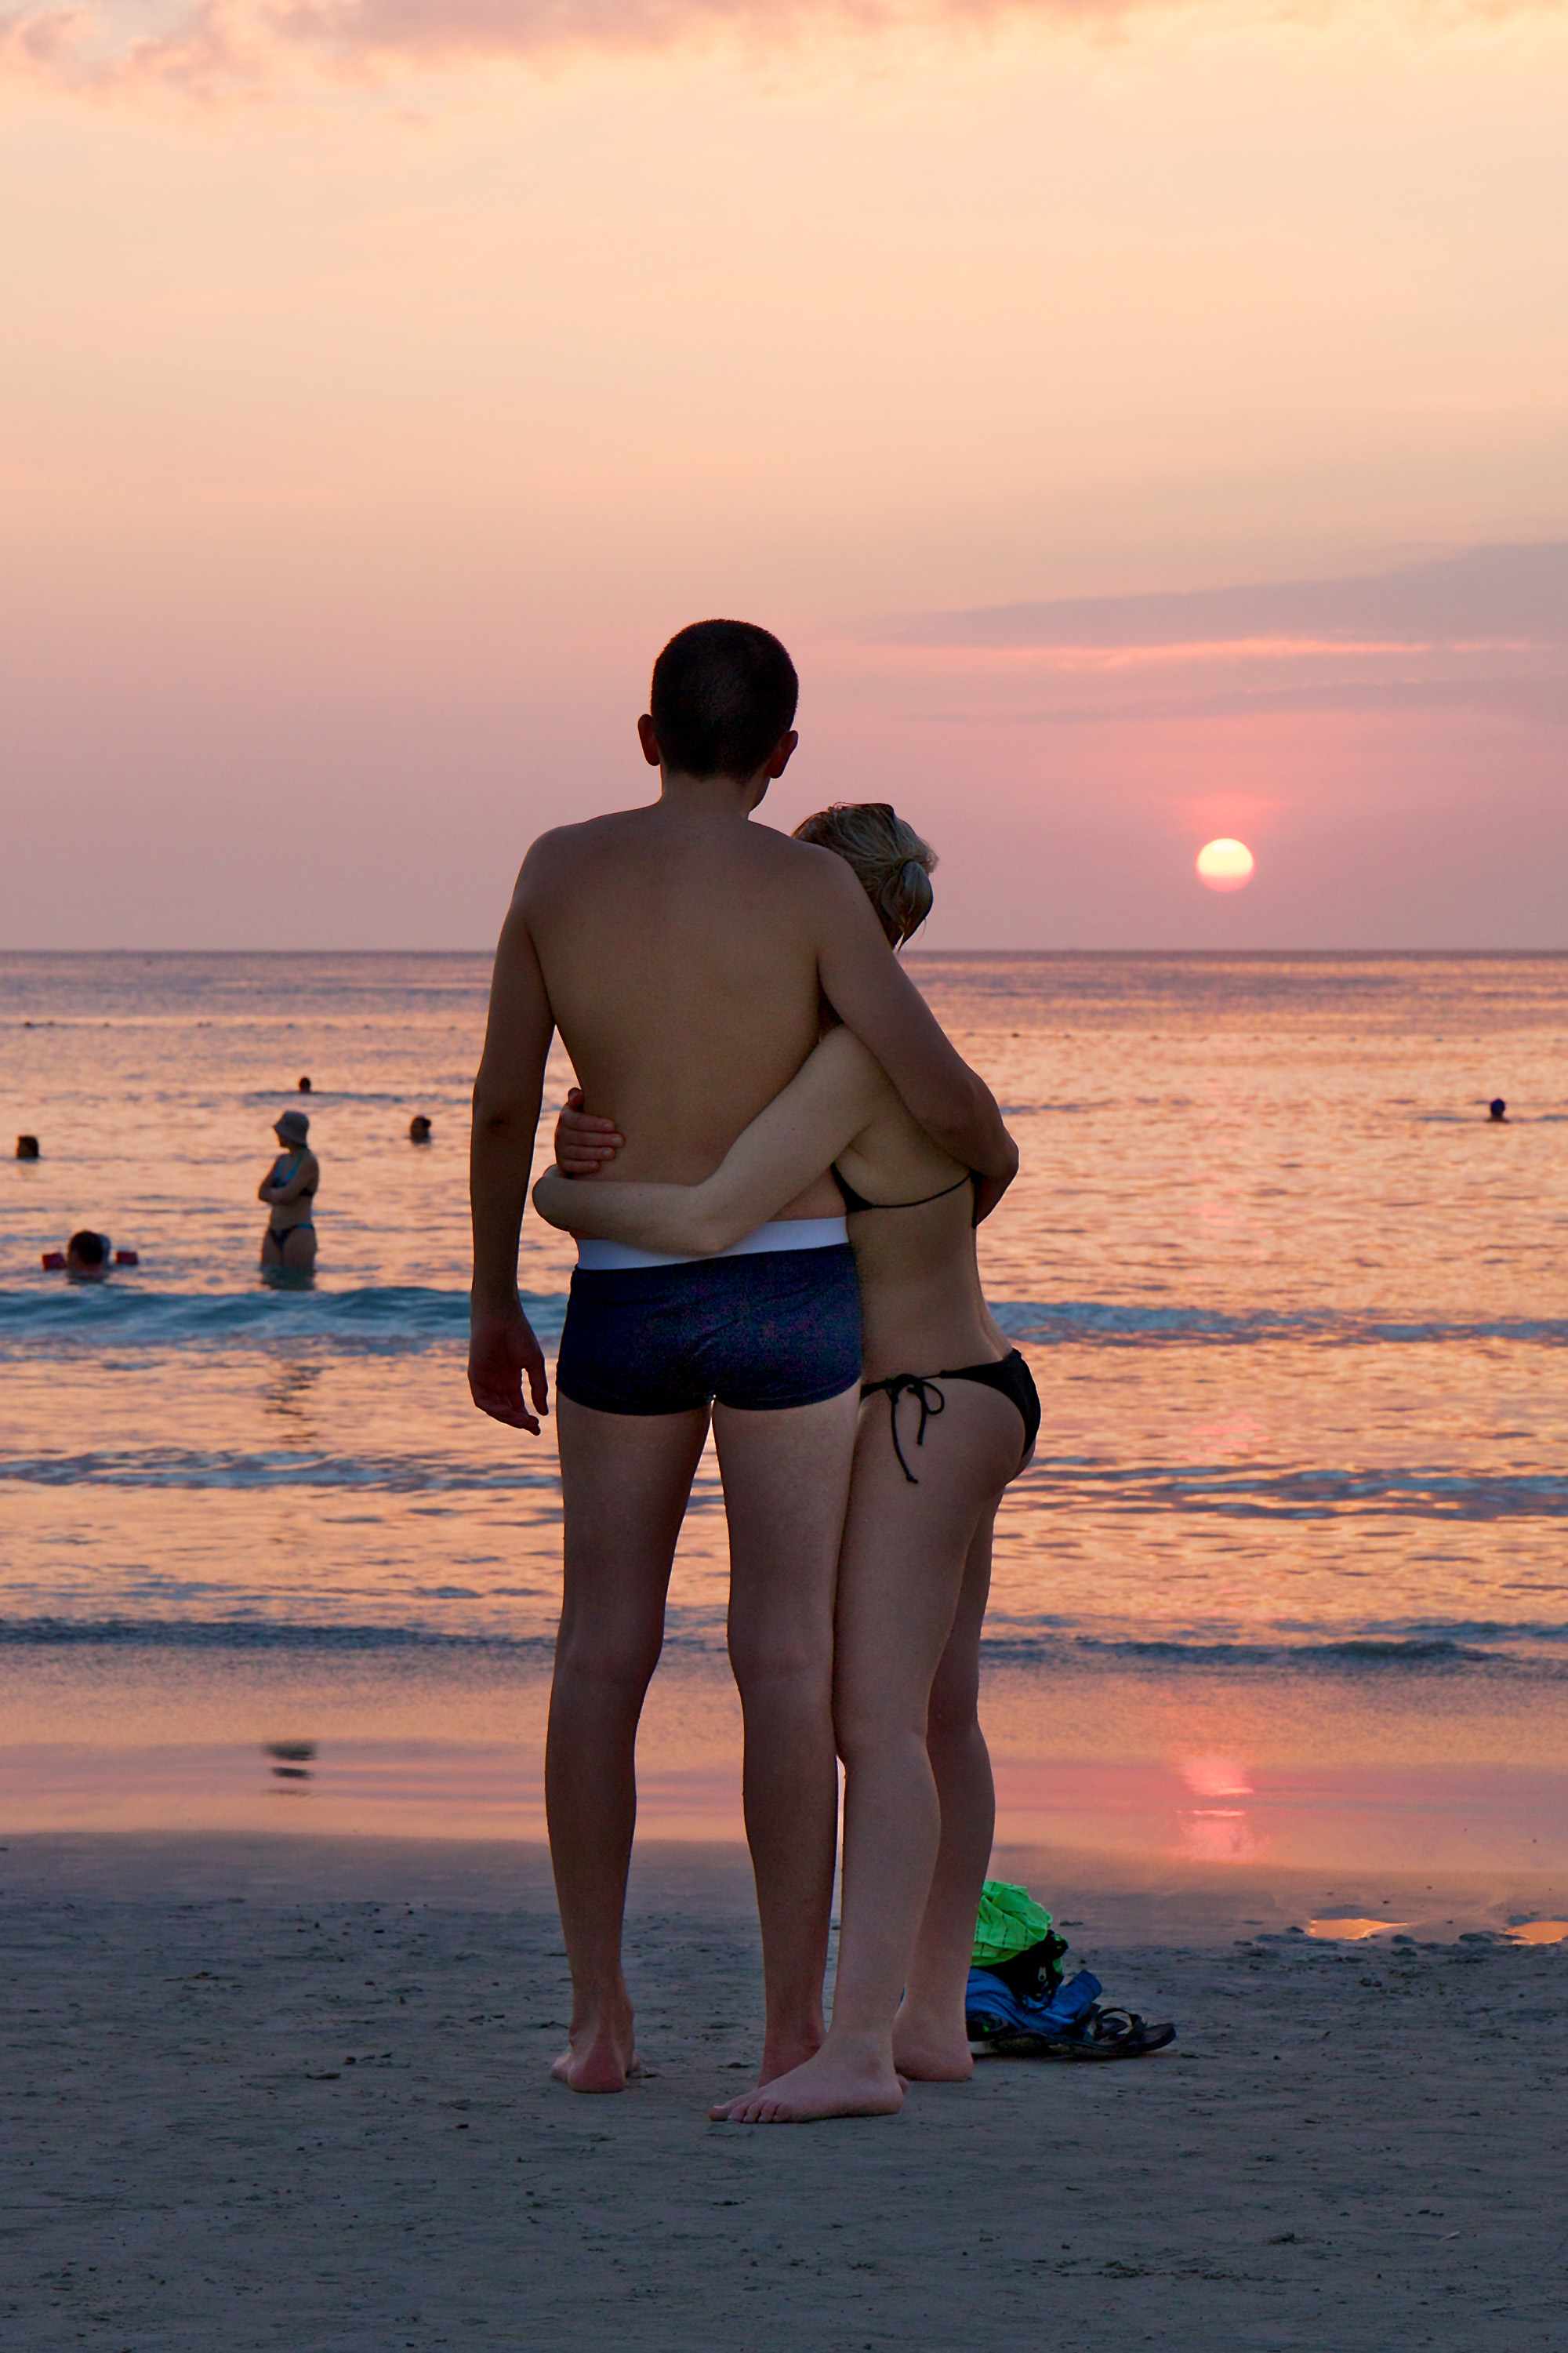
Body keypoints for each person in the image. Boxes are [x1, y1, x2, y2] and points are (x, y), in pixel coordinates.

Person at [467, 621, 1016, 2098]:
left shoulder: (556, 869)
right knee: (784, 1658)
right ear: (783, 756)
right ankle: (791, 2027)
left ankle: (599, 2024)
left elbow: (505, 1102)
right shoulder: (816, 889)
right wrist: (976, 1182)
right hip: (791, 1291)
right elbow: (929, 1084)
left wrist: (496, 1292)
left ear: (647, 736)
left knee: (601, 1650)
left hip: (626, 1287)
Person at [259, 1109, 318, 1271]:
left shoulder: (308, 1162)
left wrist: (274, 1194)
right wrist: (278, 1194)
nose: (278, 1136)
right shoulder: (281, 1161)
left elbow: (288, 1195)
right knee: (268, 1278)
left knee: (296, 1280)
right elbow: (262, 1192)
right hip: (274, 1230)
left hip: (298, 1231)